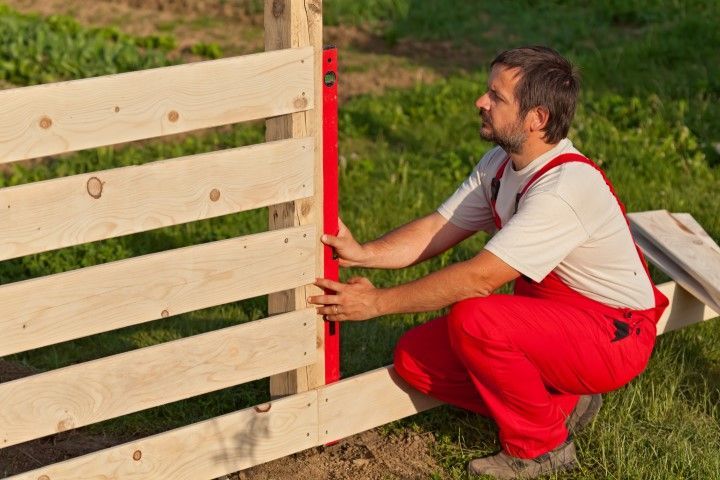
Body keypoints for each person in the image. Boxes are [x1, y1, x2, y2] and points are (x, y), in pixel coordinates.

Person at [308, 45, 668, 479]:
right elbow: (438, 227)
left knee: (476, 321)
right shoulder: (501, 164)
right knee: (415, 359)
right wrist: (365, 253)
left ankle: (542, 447)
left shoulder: (562, 188)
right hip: (560, 318)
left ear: (537, 119)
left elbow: (479, 278)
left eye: (496, 97)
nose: (481, 102)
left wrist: (377, 304)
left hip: (614, 334)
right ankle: (560, 403)